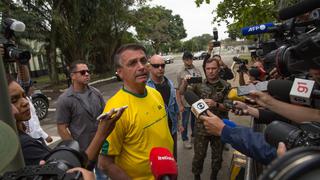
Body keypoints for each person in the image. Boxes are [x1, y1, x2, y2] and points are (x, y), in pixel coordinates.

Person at [6, 74, 125, 167]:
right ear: (72, 75)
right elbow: (73, 172)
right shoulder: (23, 145)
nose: (25, 102)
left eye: (24, 95)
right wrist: (100, 134)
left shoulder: (95, 92)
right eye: (14, 99)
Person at [98, 44, 173, 180]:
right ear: (120, 72)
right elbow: (105, 164)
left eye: (143, 61)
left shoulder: (155, 93)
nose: (141, 67)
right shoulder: (115, 110)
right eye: (132, 63)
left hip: (168, 171)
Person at [179, 57, 231, 180]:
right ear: (205, 70)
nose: (211, 71)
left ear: (218, 69)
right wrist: (185, 83)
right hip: (201, 127)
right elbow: (183, 92)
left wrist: (216, 104)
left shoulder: (226, 85)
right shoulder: (198, 84)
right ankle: (197, 176)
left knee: (217, 156)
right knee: (199, 156)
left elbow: (229, 106)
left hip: (219, 127)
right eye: (208, 69)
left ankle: (214, 176)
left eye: (213, 68)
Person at [56, 61, 106, 178]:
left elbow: (105, 117)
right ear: (72, 76)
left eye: (88, 71)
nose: (87, 74)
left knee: (104, 177)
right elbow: (62, 128)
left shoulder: (96, 93)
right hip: (83, 152)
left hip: (102, 148)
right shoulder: (65, 99)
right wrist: (75, 150)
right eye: (83, 72)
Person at [146, 54, 182, 160]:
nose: (160, 68)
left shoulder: (169, 83)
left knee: (173, 160)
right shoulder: (145, 87)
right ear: (149, 67)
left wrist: (179, 123)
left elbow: (174, 105)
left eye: (162, 65)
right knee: (159, 161)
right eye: (156, 66)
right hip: (156, 133)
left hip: (172, 129)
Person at [176, 51, 202, 149]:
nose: (189, 61)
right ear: (183, 60)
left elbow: (200, 83)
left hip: (195, 100)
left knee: (195, 121)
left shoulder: (197, 69)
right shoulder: (180, 72)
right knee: (185, 122)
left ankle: (193, 137)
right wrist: (180, 105)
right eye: (187, 59)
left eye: (190, 58)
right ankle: (185, 139)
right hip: (185, 102)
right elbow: (177, 90)